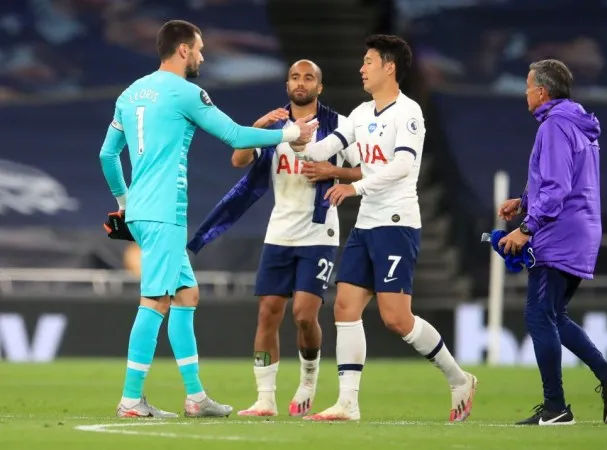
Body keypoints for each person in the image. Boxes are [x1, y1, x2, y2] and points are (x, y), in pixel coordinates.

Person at [99, 19, 316, 418]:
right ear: (183, 50)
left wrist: (124, 202)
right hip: (164, 211)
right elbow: (234, 136)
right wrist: (290, 135)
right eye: (198, 49)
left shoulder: (130, 94)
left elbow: (107, 155)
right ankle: (131, 399)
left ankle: (196, 398)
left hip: (145, 210)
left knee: (186, 295)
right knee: (155, 300)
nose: (201, 56)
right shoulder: (186, 92)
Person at [289, 34, 477, 422]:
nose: (361, 68)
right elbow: (328, 148)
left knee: (396, 318)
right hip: (366, 223)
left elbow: (402, 166)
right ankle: (348, 403)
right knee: (344, 306)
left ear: (389, 67)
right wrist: (298, 140)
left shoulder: (407, 113)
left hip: (396, 223)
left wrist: (354, 186)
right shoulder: (361, 113)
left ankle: (459, 378)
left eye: (368, 62)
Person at [498, 59, 607, 426]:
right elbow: (560, 178)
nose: (525, 92)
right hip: (581, 228)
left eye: (528, 86)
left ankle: (556, 407)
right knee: (554, 314)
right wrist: (524, 201)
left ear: (542, 91)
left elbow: (556, 189)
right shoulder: (576, 122)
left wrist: (526, 228)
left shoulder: (555, 126)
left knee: (538, 315)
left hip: (560, 232)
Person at [227, 60, 362, 417]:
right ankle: (265, 398)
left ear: (320, 86)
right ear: (287, 84)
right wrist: (256, 127)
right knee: (268, 313)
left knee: (304, 315)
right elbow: (238, 160)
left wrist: (334, 172)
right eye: (294, 77)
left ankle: (308, 378)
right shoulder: (275, 125)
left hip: (320, 231)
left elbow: (365, 171)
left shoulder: (340, 126)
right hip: (279, 231)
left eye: (309, 78)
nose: (300, 83)